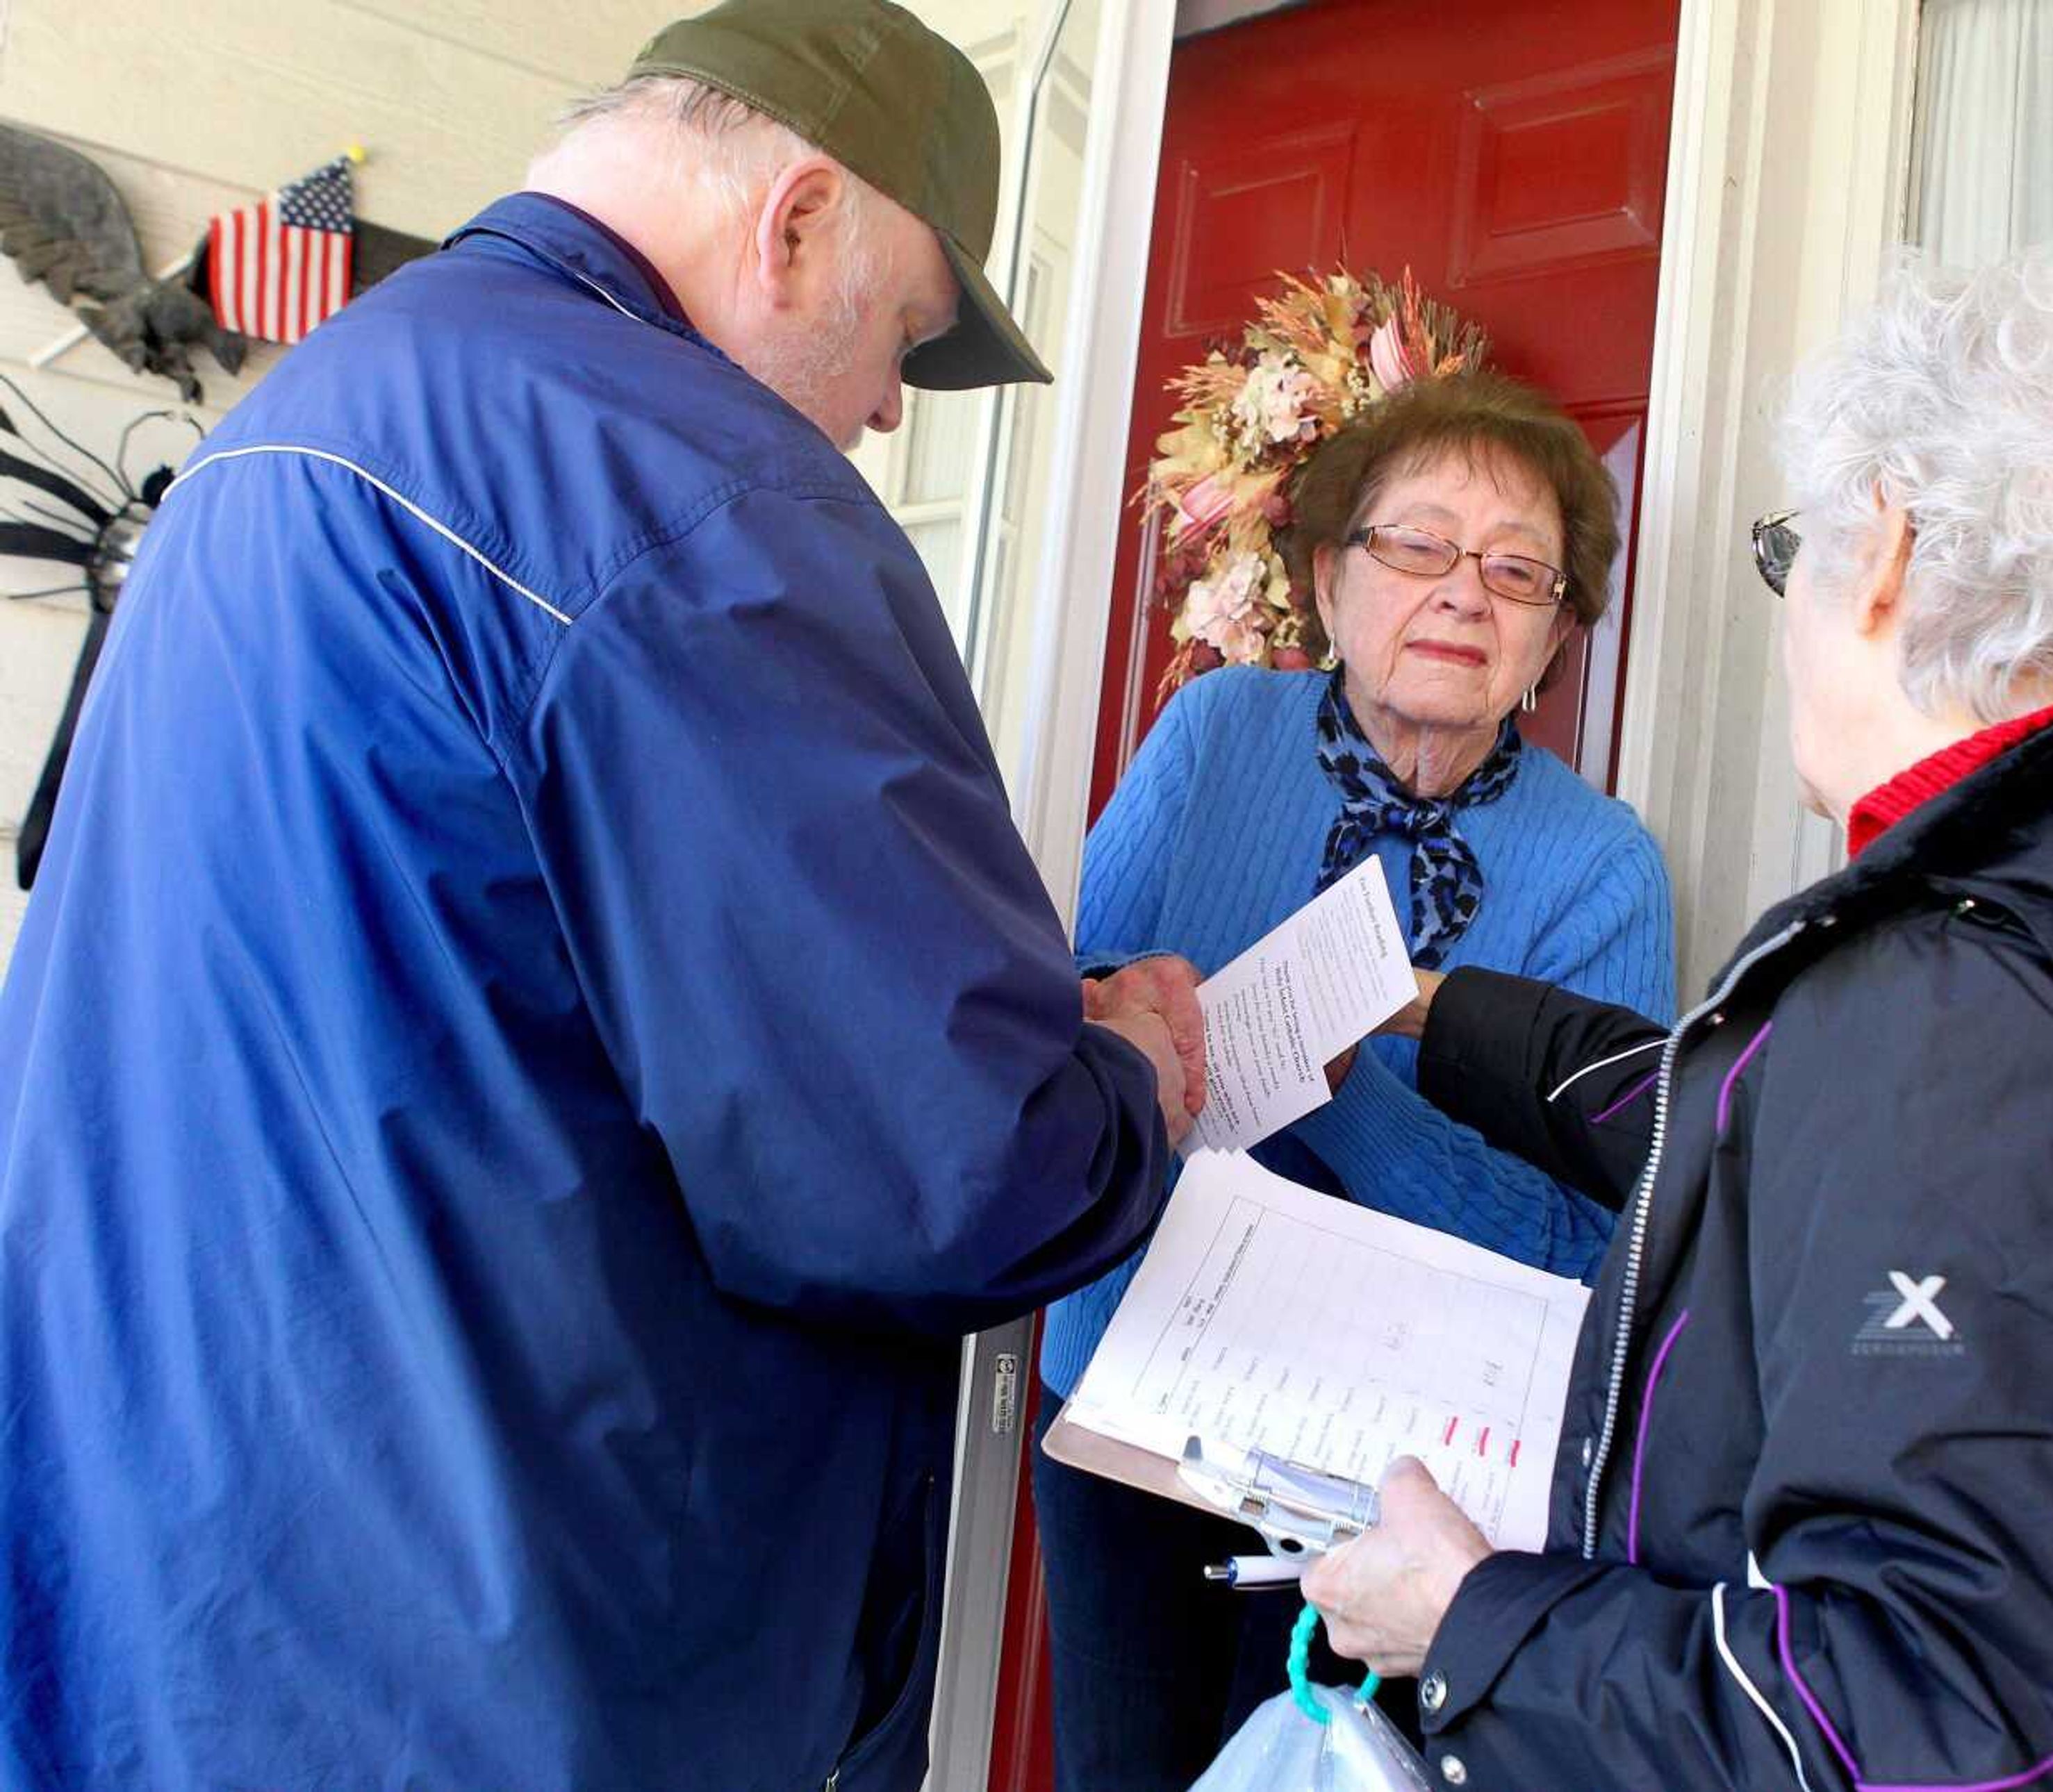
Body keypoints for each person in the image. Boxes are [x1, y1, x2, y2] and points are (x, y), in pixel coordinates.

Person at [0, 5, 1203, 1789]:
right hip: (479, 1635)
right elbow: (947, 1180)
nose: (883, 410)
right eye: (902, 338)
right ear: (795, 223)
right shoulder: (689, 486)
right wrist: (1134, 1087)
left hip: (164, 1555)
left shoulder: (309, 405)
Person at [1300, 258, 2053, 1792]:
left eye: (1798, 548)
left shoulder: (1955, 999)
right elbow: (1765, 1133)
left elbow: (1941, 1719)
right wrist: (1435, 1012)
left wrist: (1475, 1621)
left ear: (1890, 555)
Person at [1032, 371, 1676, 1789]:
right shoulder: (1212, 741)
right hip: (1140, 1394)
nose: (1465, 593)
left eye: (1519, 570)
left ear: (1558, 632)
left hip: (1401, 1474)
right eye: (1419, 545)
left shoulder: (1601, 868)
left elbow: (1596, 1247)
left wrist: (1353, 1089)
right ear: (1329, 578)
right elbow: (1064, 1040)